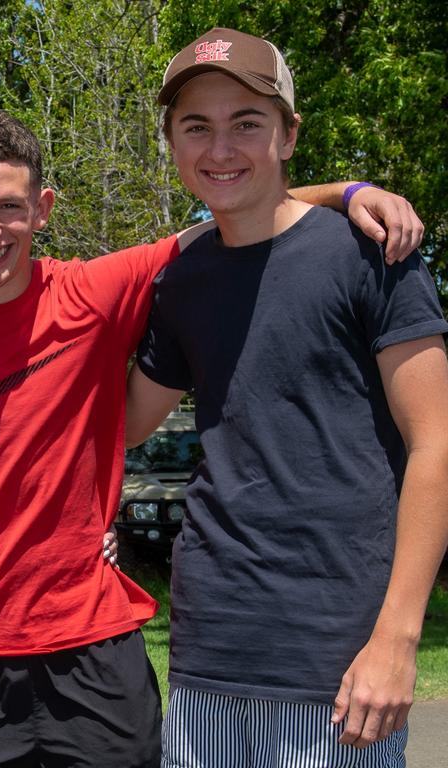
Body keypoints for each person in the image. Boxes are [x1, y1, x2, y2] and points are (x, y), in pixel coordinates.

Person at [0, 109, 428, 766]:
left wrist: (349, 192)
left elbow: (238, 213)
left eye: (10, 207)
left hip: (95, 647)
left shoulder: (94, 294)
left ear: (42, 208)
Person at [125, 28, 448, 766]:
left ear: (290, 132)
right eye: (195, 127)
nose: (220, 148)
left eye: (247, 123)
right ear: (172, 143)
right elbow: (123, 425)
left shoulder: (373, 255)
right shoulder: (182, 278)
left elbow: (437, 444)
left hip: (340, 654)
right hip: (209, 647)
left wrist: (397, 639)